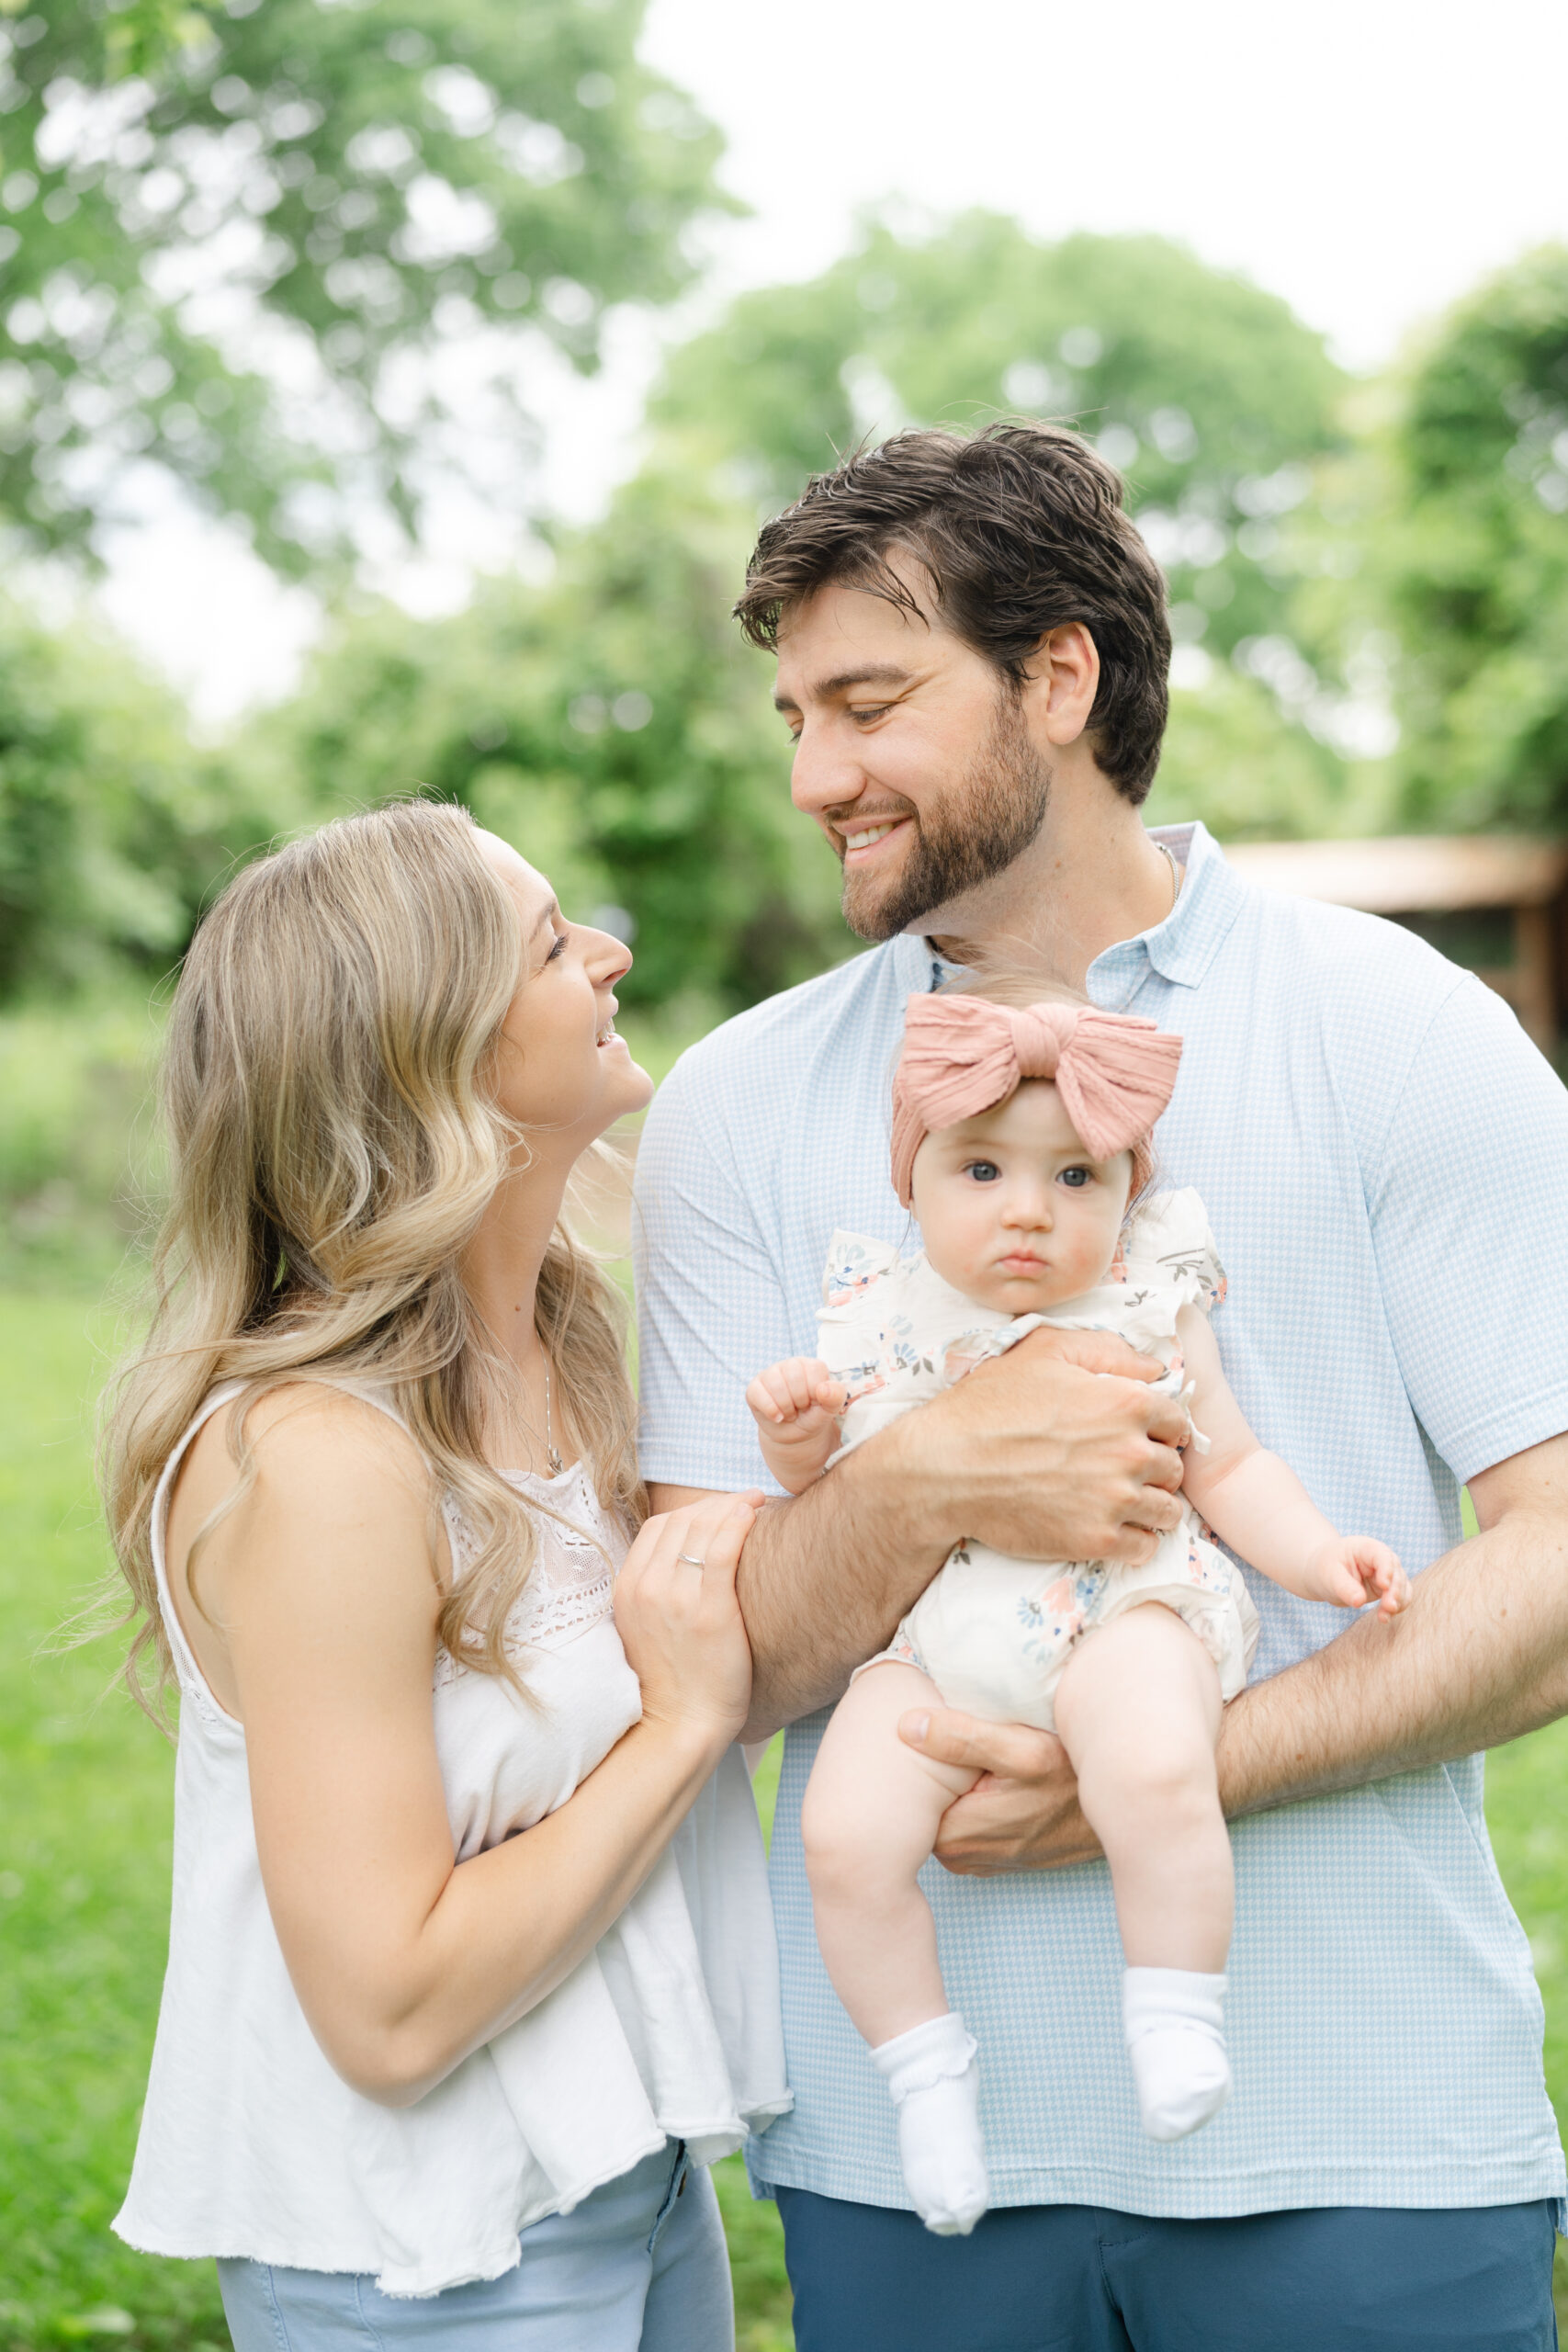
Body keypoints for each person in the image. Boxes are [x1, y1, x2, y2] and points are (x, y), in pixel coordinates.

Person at [631, 421, 1568, 2351]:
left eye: (867, 701)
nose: (815, 774)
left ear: (1055, 675)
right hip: (905, 2172)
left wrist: (1152, 1776)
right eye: (794, 714)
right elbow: (702, 1662)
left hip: (1366, 2148)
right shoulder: (732, 1103)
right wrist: (928, 1478)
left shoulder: (1402, 1031)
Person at [102, 800, 789, 2352]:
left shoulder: (574, 1352)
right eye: (552, 943)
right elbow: (389, 2010)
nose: (609, 953)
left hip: (633, 2187)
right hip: (426, 2261)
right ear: (436, 1053)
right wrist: (681, 1728)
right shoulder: (322, 1460)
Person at [747, 982, 1408, 2234]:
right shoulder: (881, 1308)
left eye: (1075, 1180)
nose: (1026, 1214)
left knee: (1156, 1760)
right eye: (983, 1169)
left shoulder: (1149, 1296)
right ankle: (924, 2071)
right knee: (841, 1836)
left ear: (1125, 1198)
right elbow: (832, 1491)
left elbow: (1229, 1463)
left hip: (1120, 1606)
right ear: (913, 1183)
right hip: (933, 1635)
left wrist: (1324, 1555)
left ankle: (1173, 2011)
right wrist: (799, 1434)